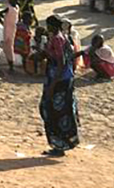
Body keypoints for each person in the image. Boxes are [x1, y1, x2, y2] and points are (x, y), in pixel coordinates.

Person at [39, 15, 80, 157]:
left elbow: (61, 63)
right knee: (60, 111)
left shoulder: (57, 39)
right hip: (62, 79)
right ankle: (61, 143)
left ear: (52, 26)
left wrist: (52, 86)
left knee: (51, 110)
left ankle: (59, 145)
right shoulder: (61, 37)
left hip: (58, 80)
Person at [1, 0, 20, 73]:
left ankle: (11, 65)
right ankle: (10, 64)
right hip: (12, 29)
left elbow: (1, 13)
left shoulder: (8, 8)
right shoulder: (17, 7)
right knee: (9, 46)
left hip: (8, 30)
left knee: (8, 47)